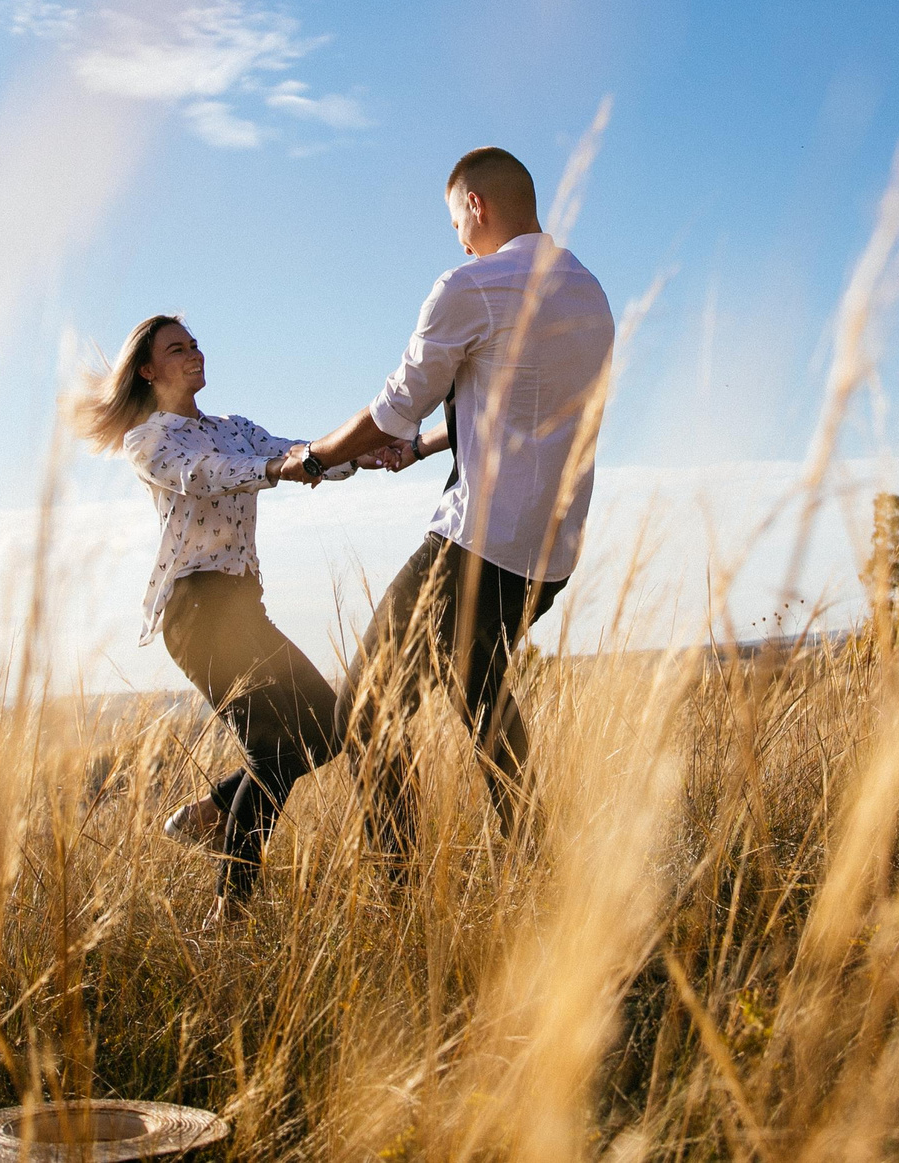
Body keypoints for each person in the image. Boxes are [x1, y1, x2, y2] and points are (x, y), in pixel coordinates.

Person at [289, 146, 617, 860]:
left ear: (476, 206)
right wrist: (429, 447)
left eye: (456, 225)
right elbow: (521, 403)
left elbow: (392, 406)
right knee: (482, 697)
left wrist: (316, 456)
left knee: (364, 715)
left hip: (475, 545)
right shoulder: (588, 289)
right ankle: (536, 859)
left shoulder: (472, 284)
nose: (459, 241)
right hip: (549, 556)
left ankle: (406, 896)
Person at [66, 313, 404, 915]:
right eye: (177, 349)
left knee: (327, 728)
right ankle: (232, 908)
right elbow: (206, 477)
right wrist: (282, 470)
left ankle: (213, 812)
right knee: (271, 748)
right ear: (148, 370)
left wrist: (375, 451)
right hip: (196, 613)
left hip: (245, 607)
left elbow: (302, 454)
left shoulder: (236, 428)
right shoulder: (151, 440)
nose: (194, 353)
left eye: (195, 344)